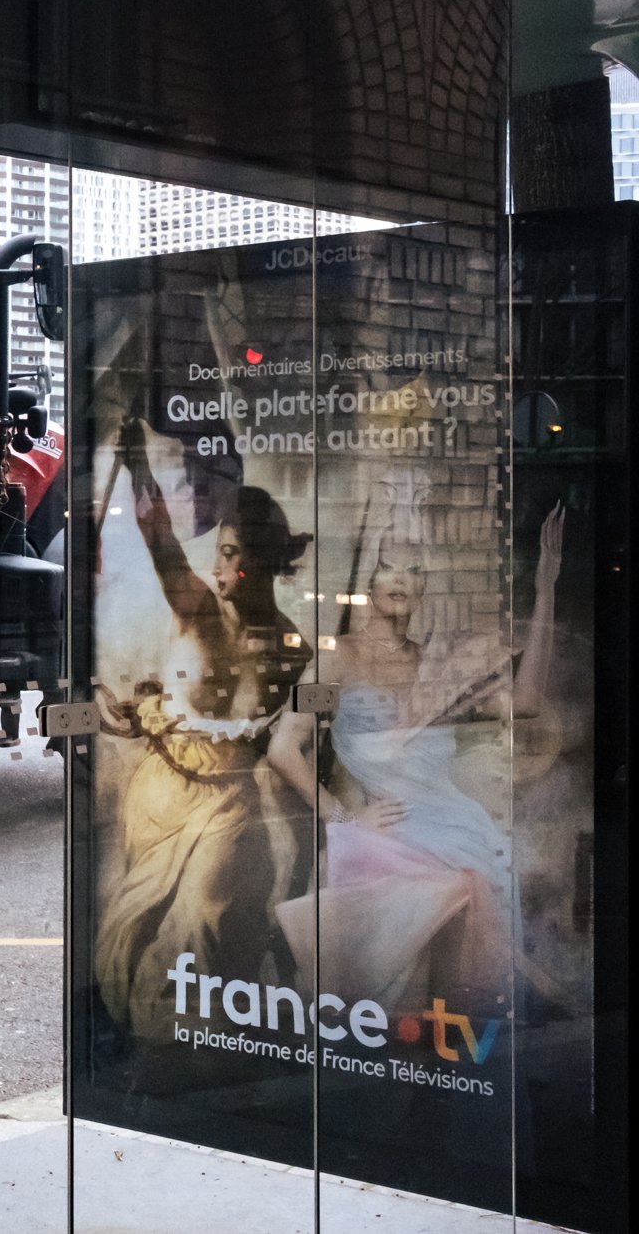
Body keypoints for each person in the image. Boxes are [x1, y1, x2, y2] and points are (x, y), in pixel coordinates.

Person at [275, 502, 565, 1013]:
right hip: (391, 838)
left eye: (415, 570)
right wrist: (345, 818)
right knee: (399, 991)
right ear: (369, 577)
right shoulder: (336, 660)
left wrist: (546, 591)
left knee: (457, 992)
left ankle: (449, 1065)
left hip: (464, 834)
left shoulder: (440, 668)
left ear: (426, 588)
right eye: (390, 564)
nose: (402, 579)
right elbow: (284, 748)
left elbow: (525, 707)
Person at [95, 419, 316, 1036]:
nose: (217, 564)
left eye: (230, 552)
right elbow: (159, 535)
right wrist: (139, 468)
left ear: (262, 561)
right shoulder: (196, 607)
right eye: (219, 549)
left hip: (227, 805)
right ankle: (141, 1038)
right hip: (158, 794)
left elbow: (296, 745)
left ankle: (187, 1046)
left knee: (204, 918)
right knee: (134, 924)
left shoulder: (294, 650)